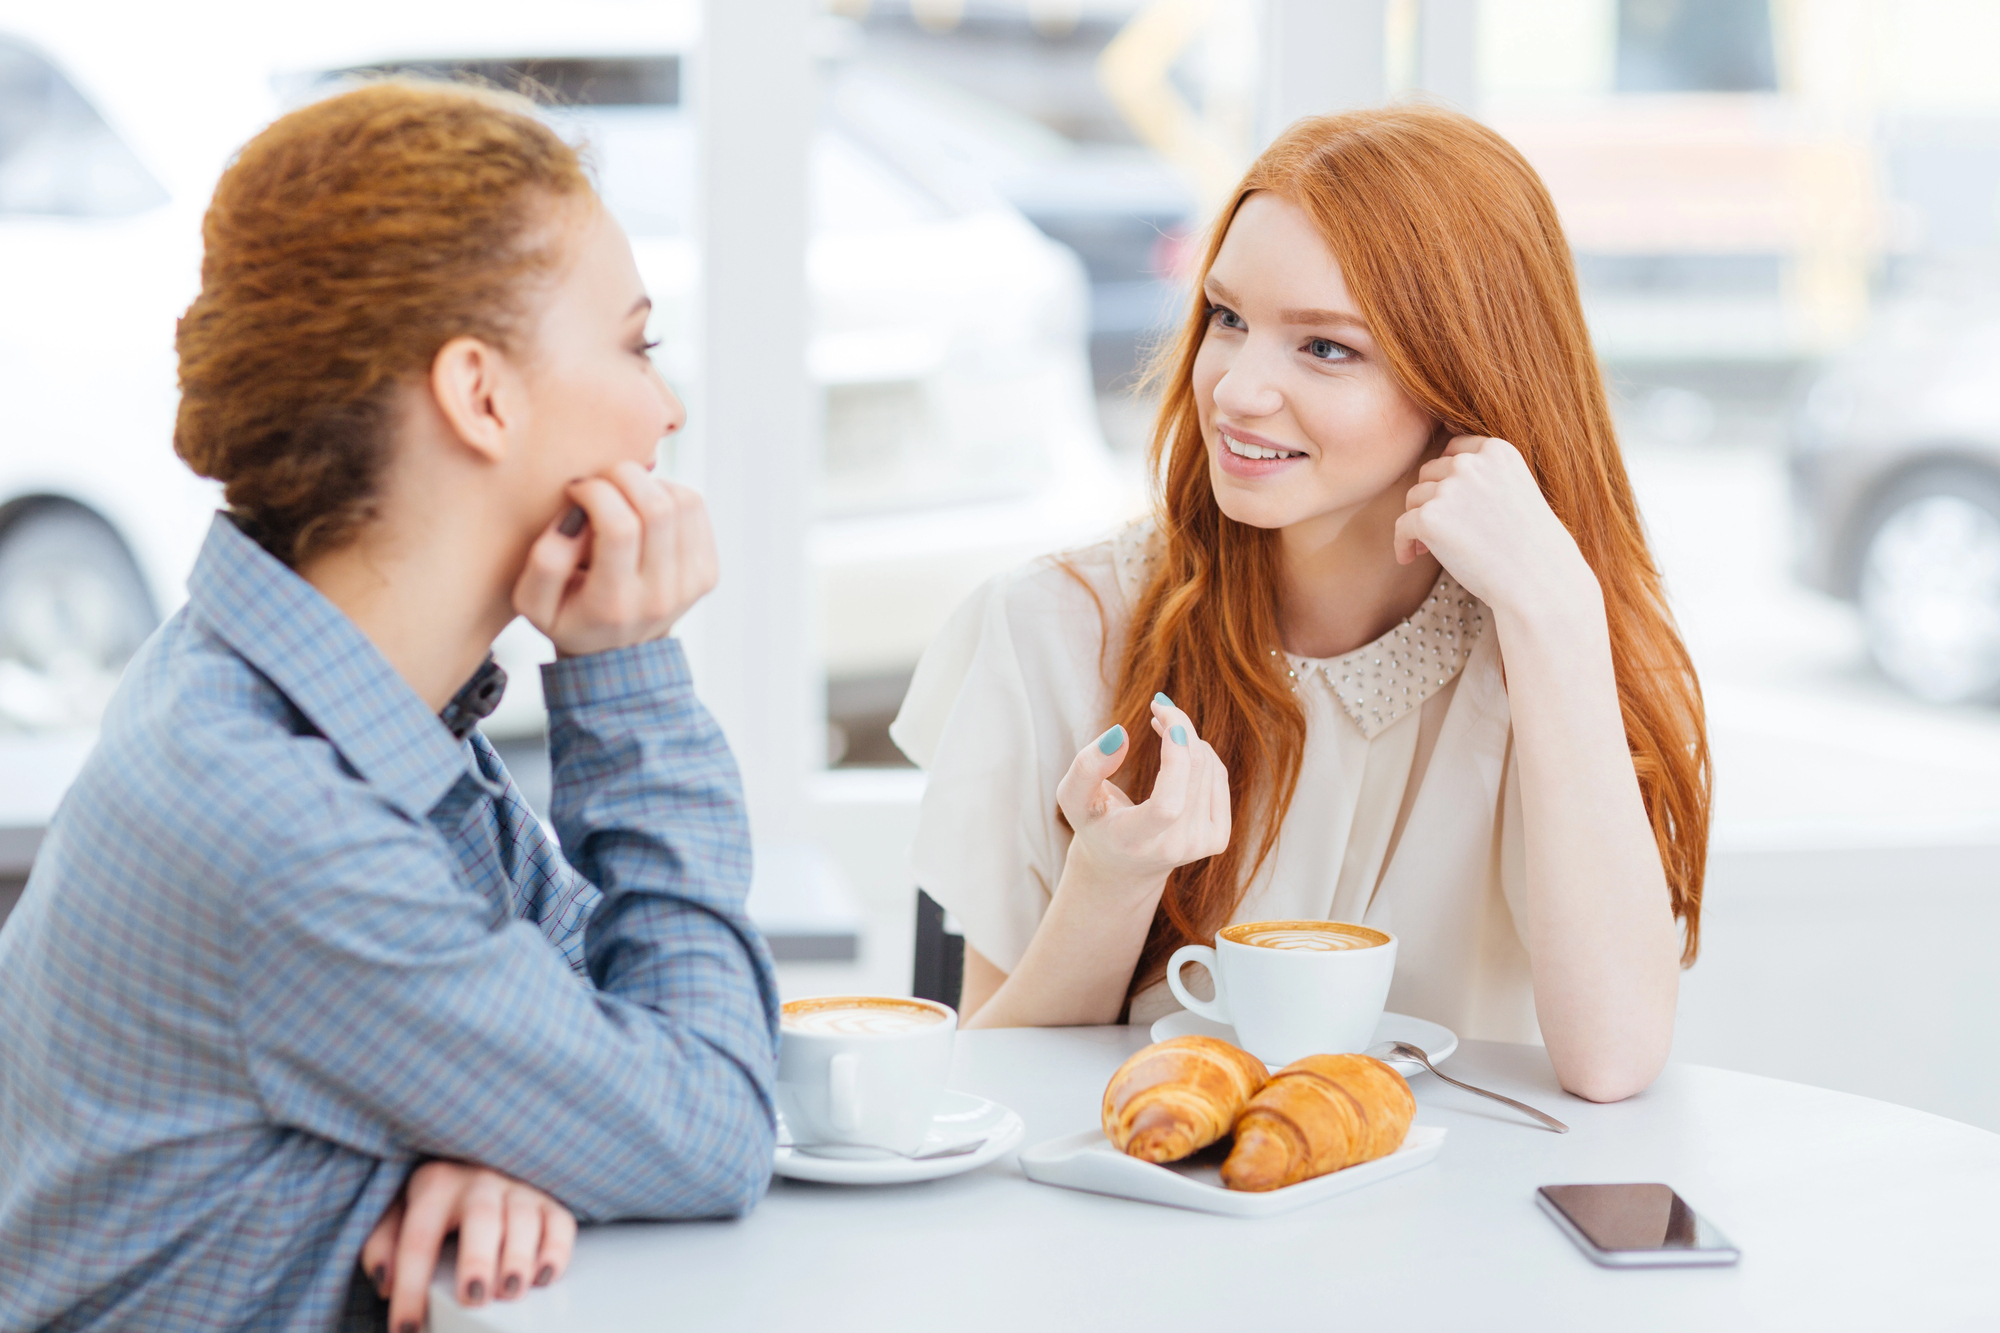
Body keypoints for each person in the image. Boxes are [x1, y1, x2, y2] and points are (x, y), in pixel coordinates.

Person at [0, 81, 778, 1333]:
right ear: (481, 395)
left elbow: (612, 1024)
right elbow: (710, 1115)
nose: (666, 409)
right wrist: (624, 675)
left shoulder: (322, 699)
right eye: (636, 345)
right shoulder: (271, 812)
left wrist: (509, 1131)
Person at [892, 105, 1710, 1103]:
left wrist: (1554, 616)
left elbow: (1613, 1058)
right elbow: (986, 1089)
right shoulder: (1053, 629)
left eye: (1324, 348)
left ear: (1463, 385)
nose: (1235, 391)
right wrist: (1110, 879)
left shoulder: (1551, 640)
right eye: (1227, 319)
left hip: (1446, 1242)